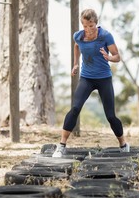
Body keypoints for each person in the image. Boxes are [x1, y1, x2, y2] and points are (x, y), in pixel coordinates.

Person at [52, 9, 130, 157]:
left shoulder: (105, 36)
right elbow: (77, 46)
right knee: (75, 108)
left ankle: (123, 143)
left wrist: (108, 57)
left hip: (104, 78)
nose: (88, 29)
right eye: (85, 26)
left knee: (110, 116)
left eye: (91, 25)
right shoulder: (78, 36)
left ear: (96, 23)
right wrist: (76, 64)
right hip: (86, 78)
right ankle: (61, 146)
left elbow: (117, 56)